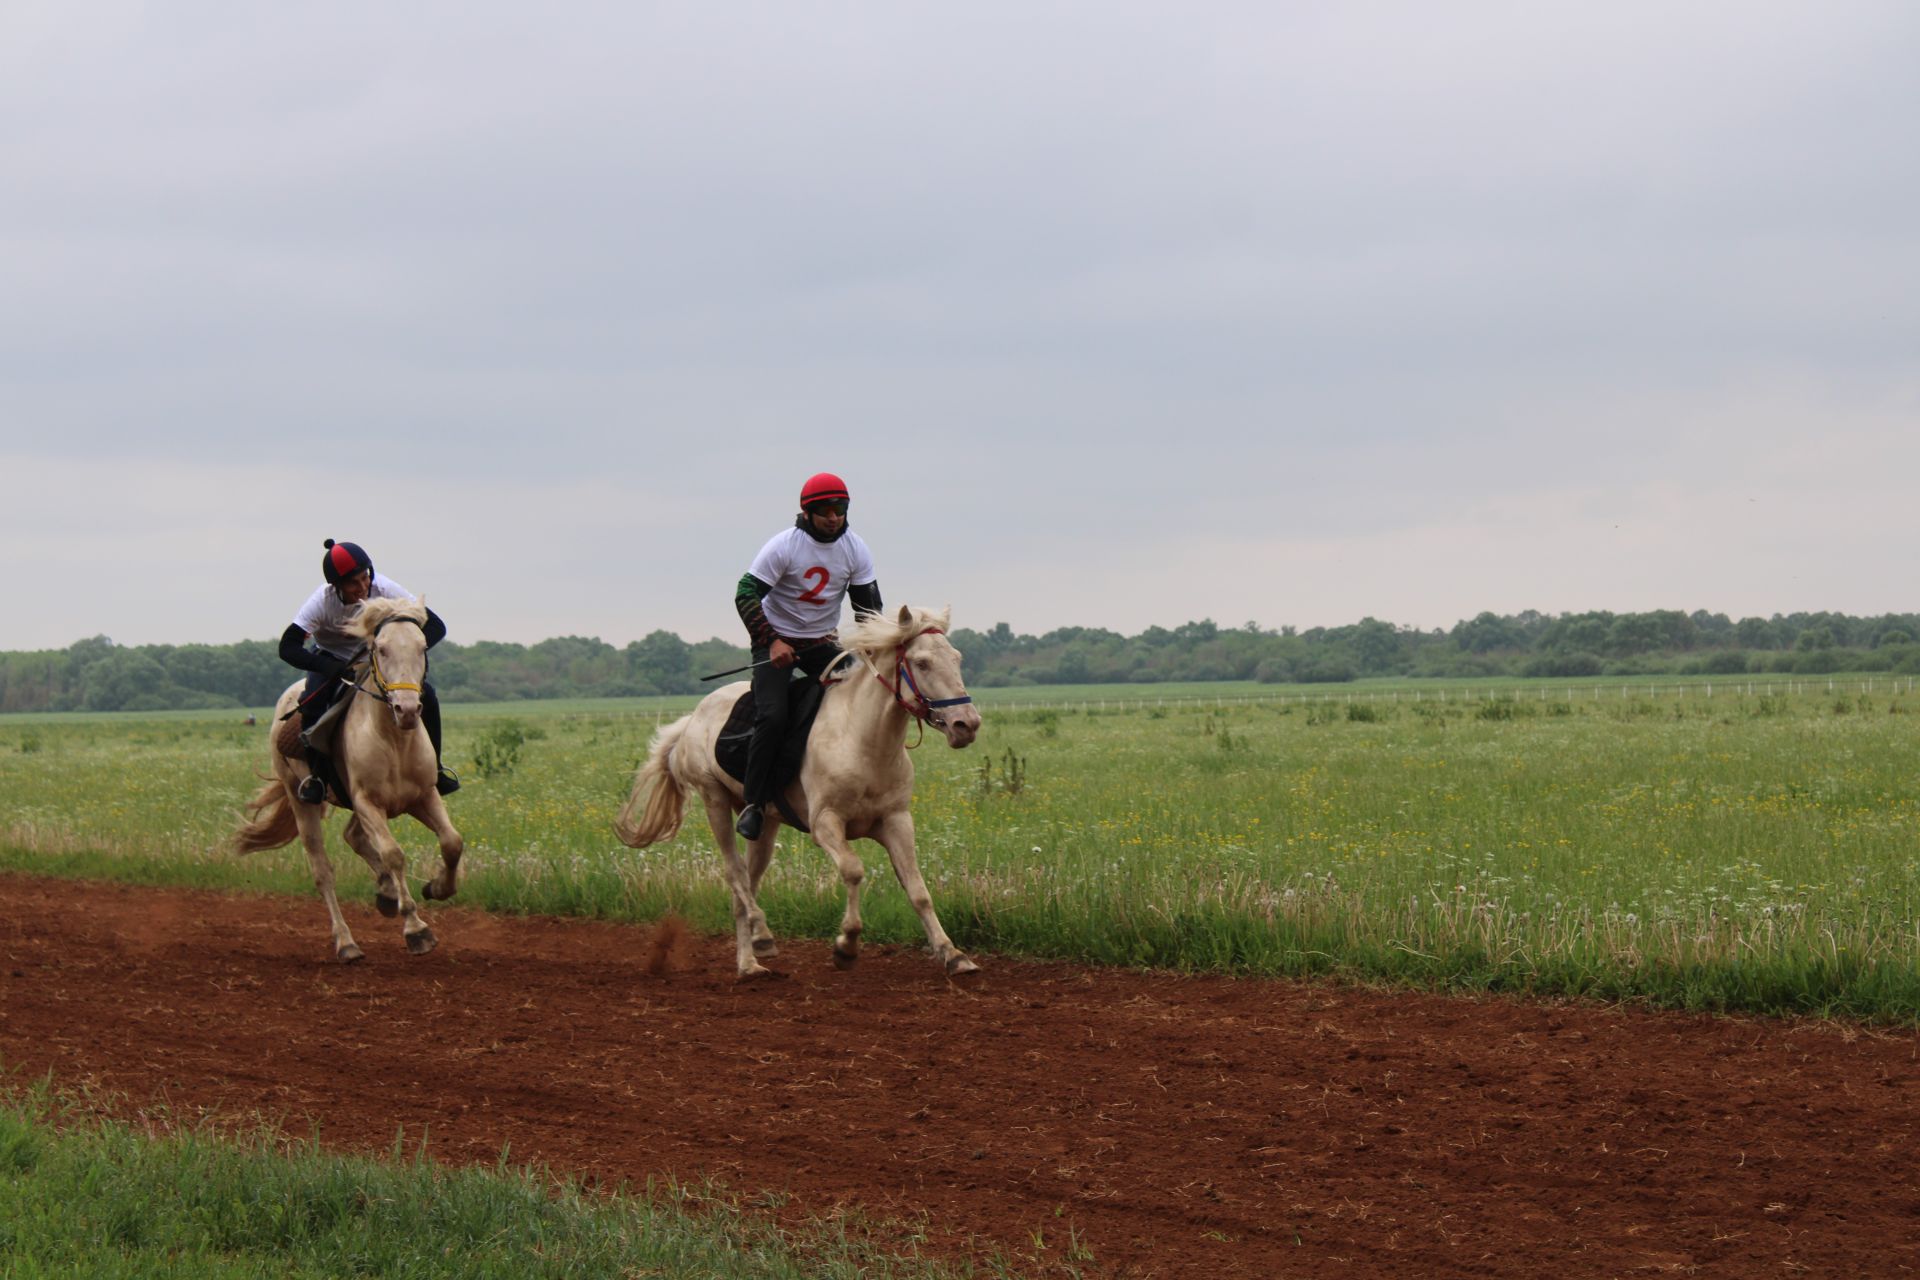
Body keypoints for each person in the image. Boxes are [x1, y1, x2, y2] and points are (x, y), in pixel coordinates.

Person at [732, 472, 883, 839]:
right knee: (773, 715)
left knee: (868, 697)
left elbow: (868, 610)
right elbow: (745, 593)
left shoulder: (855, 548)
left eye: (841, 509)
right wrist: (772, 641)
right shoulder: (784, 546)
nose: (834, 517)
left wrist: (874, 653)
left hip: (820, 645)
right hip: (776, 643)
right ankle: (755, 803)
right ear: (807, 512)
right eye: (826, 510)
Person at [279, 538, 459, 805]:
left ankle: (437, 768)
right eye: (353, 583)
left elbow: (437, 626)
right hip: (332, 660)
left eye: (365, 578)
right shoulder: (321, 602)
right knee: (313, 703)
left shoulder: (385, 588)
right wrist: (327, 667)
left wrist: (405, 649)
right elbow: (288, 647)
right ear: (336, 586)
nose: (363, 588)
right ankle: (317, 777)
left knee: (428, 696)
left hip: (377, 659)